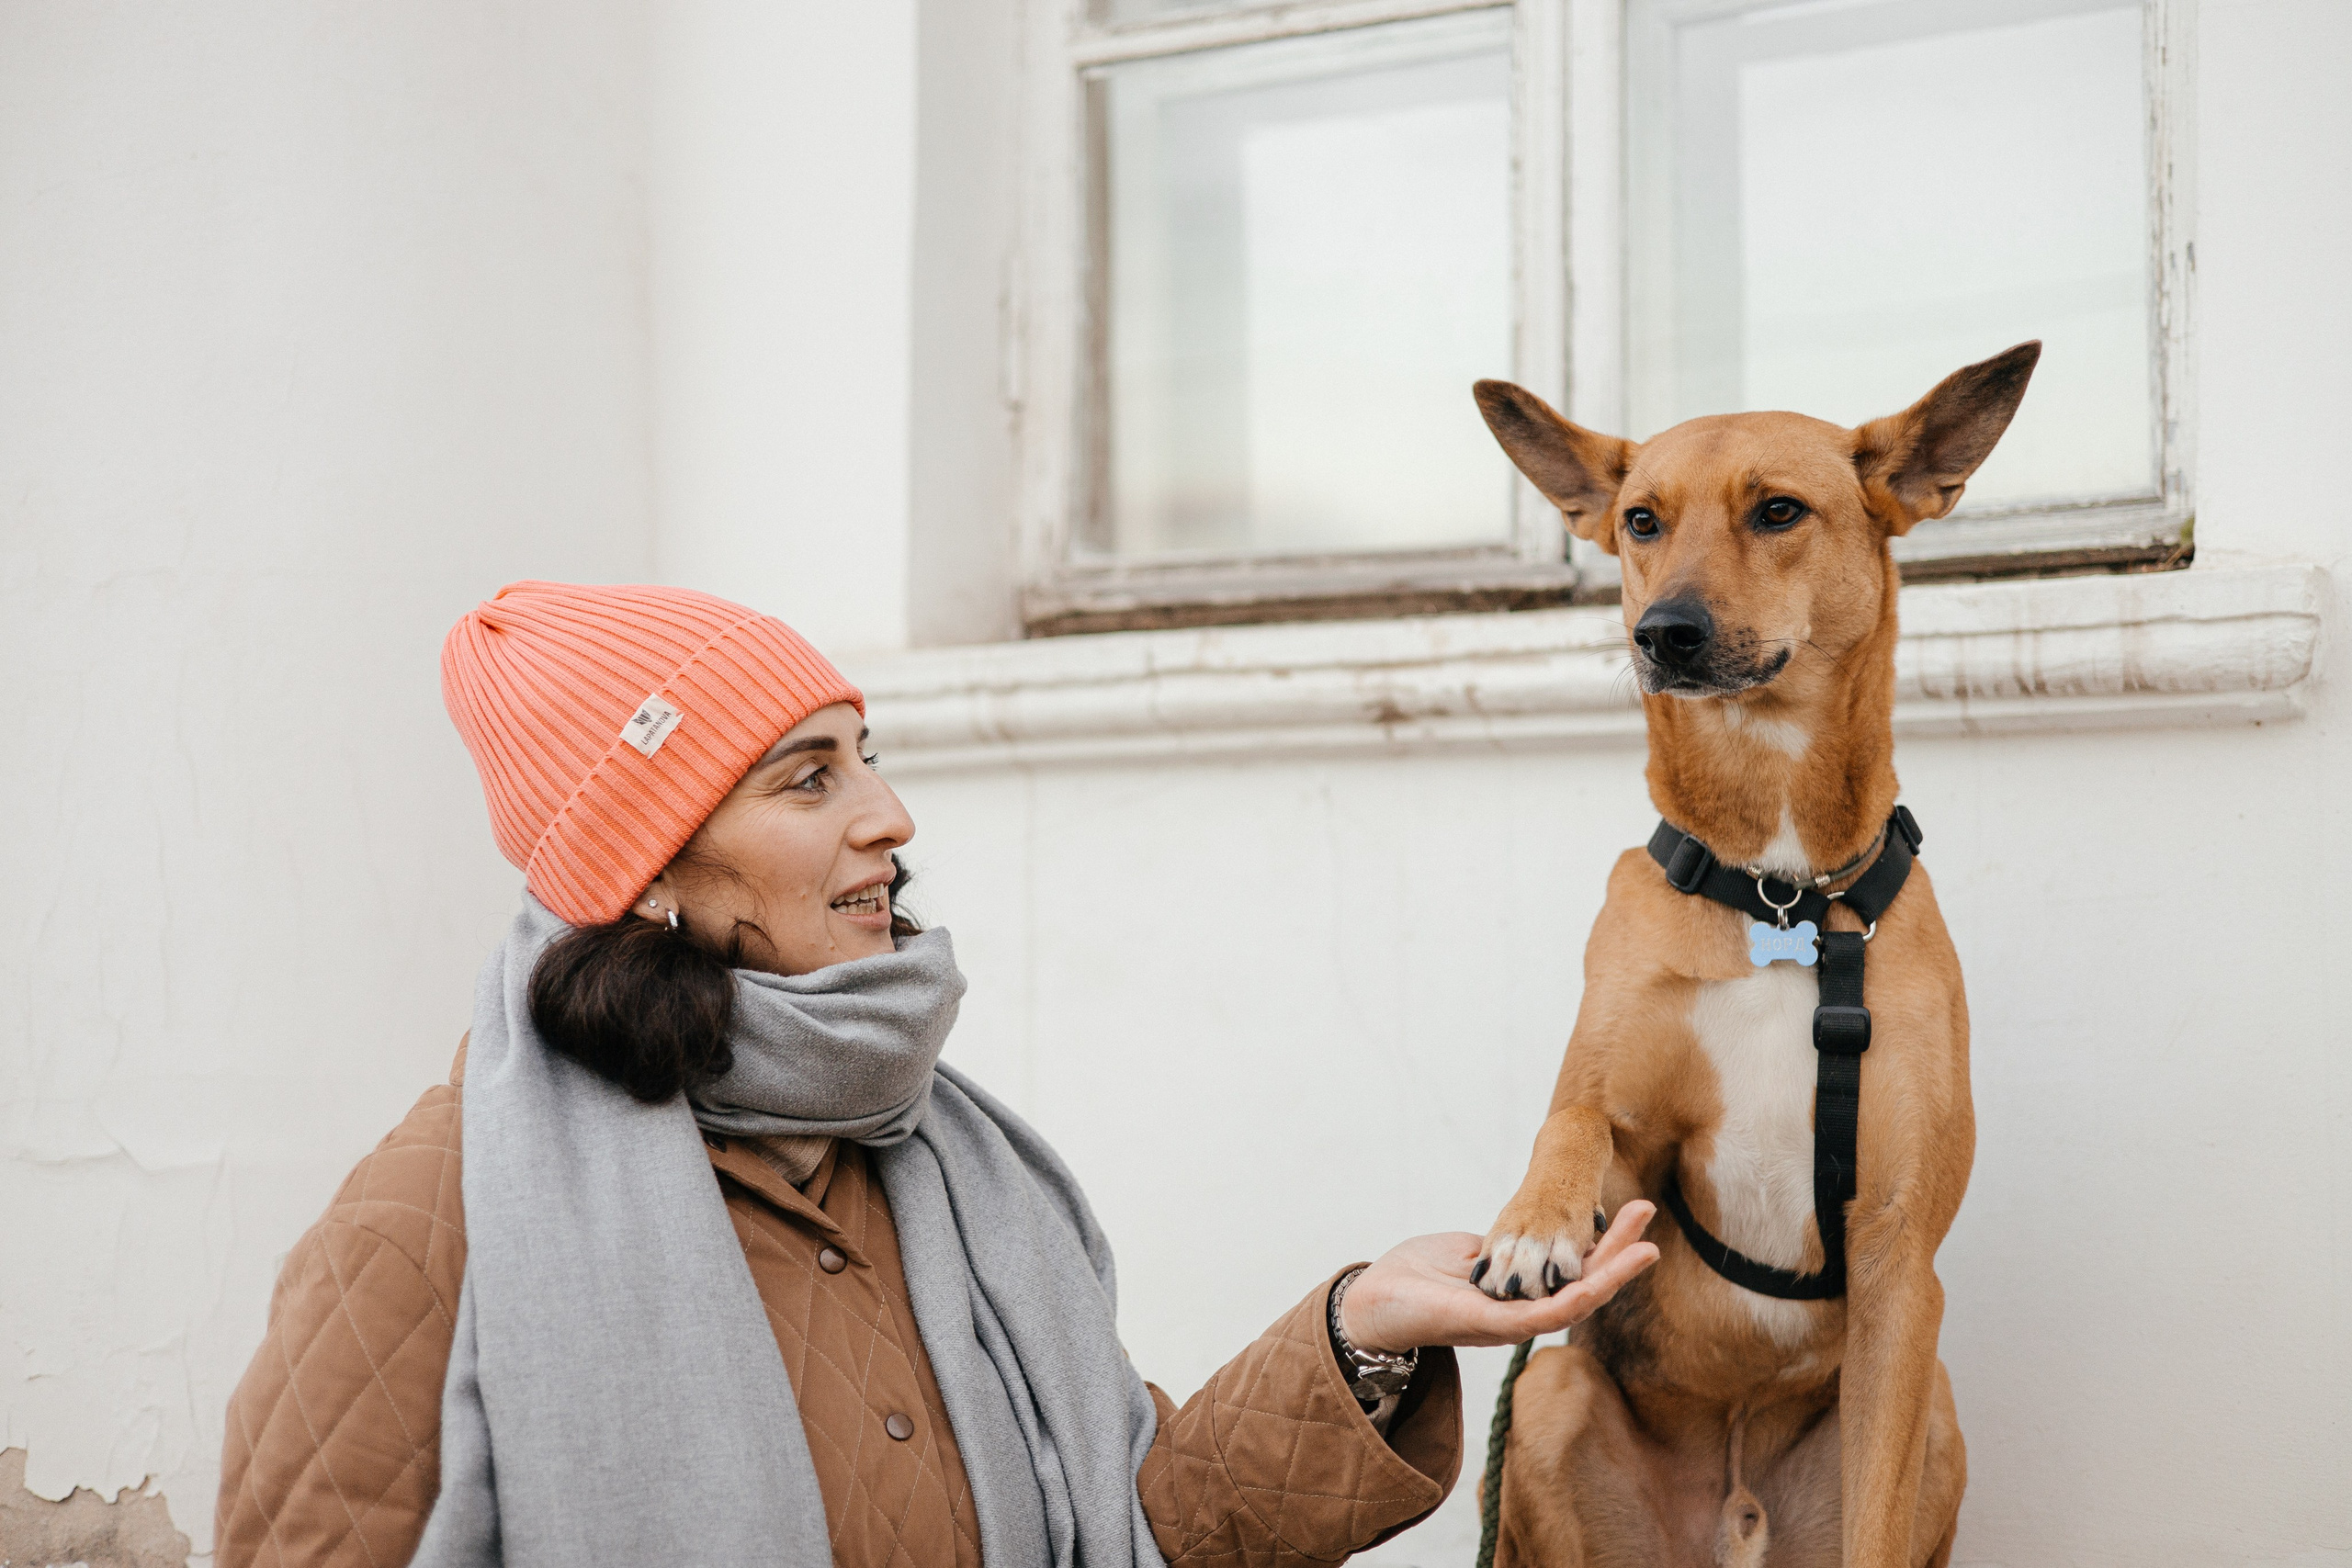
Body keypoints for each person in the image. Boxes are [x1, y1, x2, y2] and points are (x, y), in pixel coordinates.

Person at [214, 581, 1658, 1568]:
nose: (889, 818)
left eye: (867, 760)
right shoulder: (433, 1226)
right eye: (807, 779)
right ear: (646, 873)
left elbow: (1141, 1524)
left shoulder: (926, 1157)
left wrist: (1362, 1327)